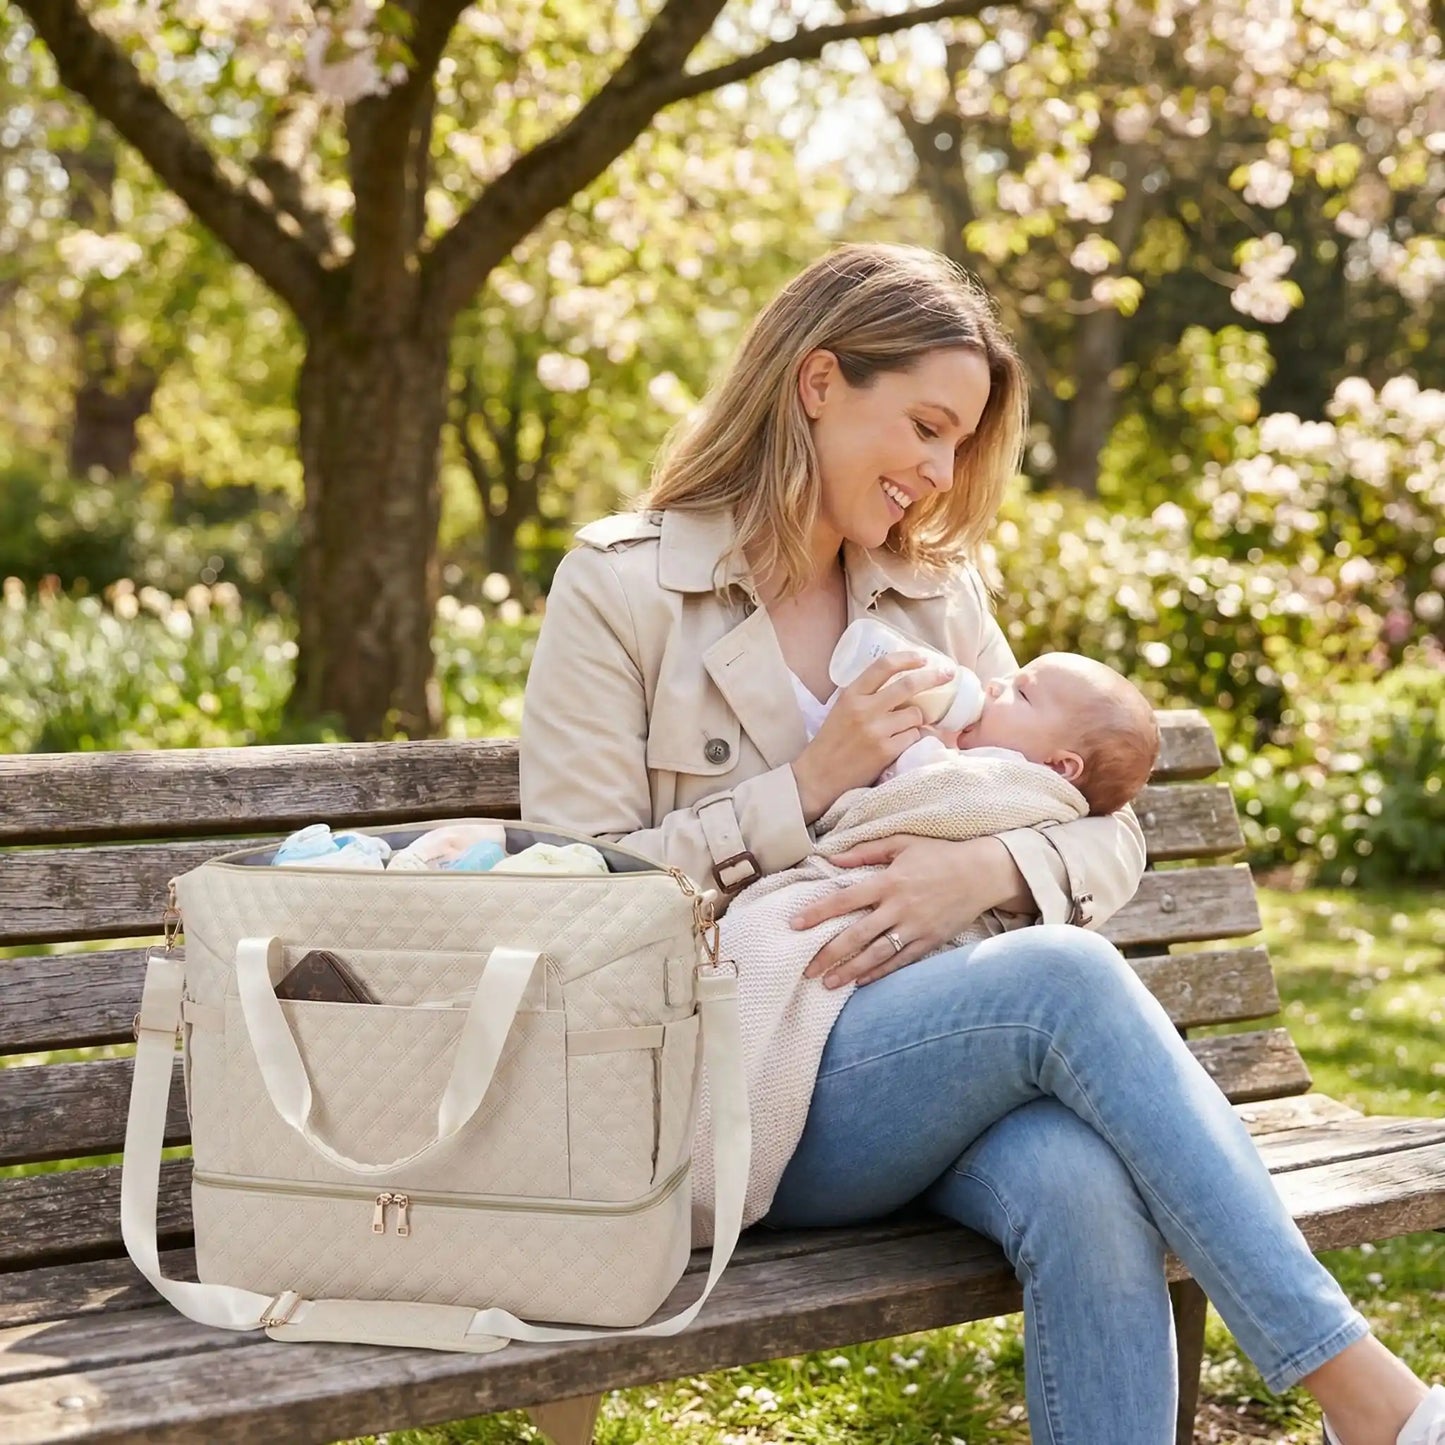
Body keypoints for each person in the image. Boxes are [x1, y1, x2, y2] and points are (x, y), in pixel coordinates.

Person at [518, 243, 1443, 1445]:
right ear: (816, 382)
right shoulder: (623, 588)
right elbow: (571, 895)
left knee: (1079, 1183)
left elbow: (1101, 829)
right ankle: (1367, 1402)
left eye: (956, 443)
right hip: (722, 1090)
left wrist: (986, 867)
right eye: (924, 426)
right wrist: (806, 784)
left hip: (913, 1072)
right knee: (1062, 976)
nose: (938, 472)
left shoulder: (931, 593)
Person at [873, 649, 1160, 815]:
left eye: (1022, 693)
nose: (994, 684)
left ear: (1059, 766)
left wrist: (925, 738)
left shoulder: (1008, 776)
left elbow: (925, 777)